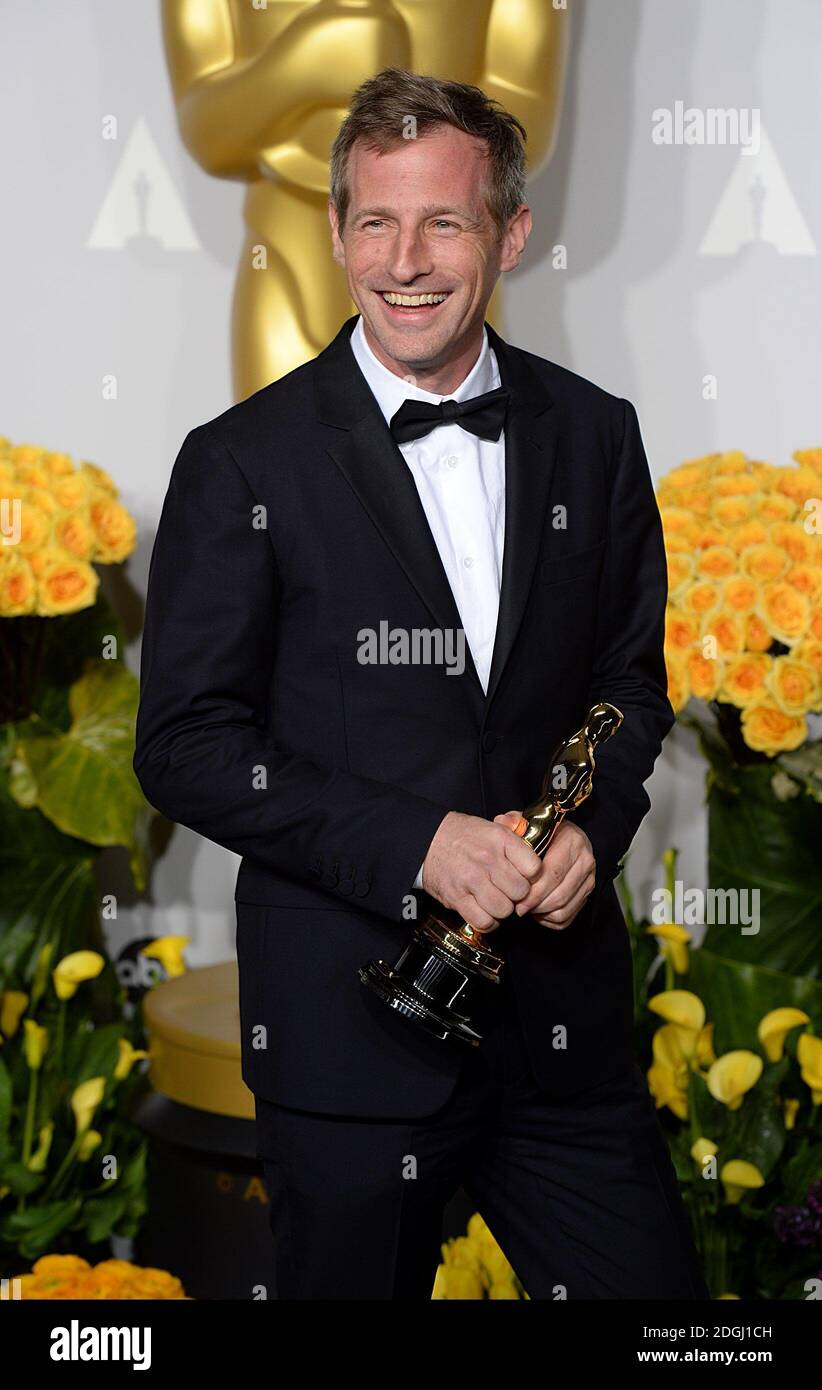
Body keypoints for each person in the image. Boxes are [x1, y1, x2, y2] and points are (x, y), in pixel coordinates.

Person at [134, 68, 709, 1301]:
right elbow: (183, 742)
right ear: (336, 234)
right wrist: (419, 845)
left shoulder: (595, 433)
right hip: (350, 1042)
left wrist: (592, 833)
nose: (406, 259)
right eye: (377, 223)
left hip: (563, 1039)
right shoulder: (242, 459)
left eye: (444, 221)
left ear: (510, 233)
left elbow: (629, 680)